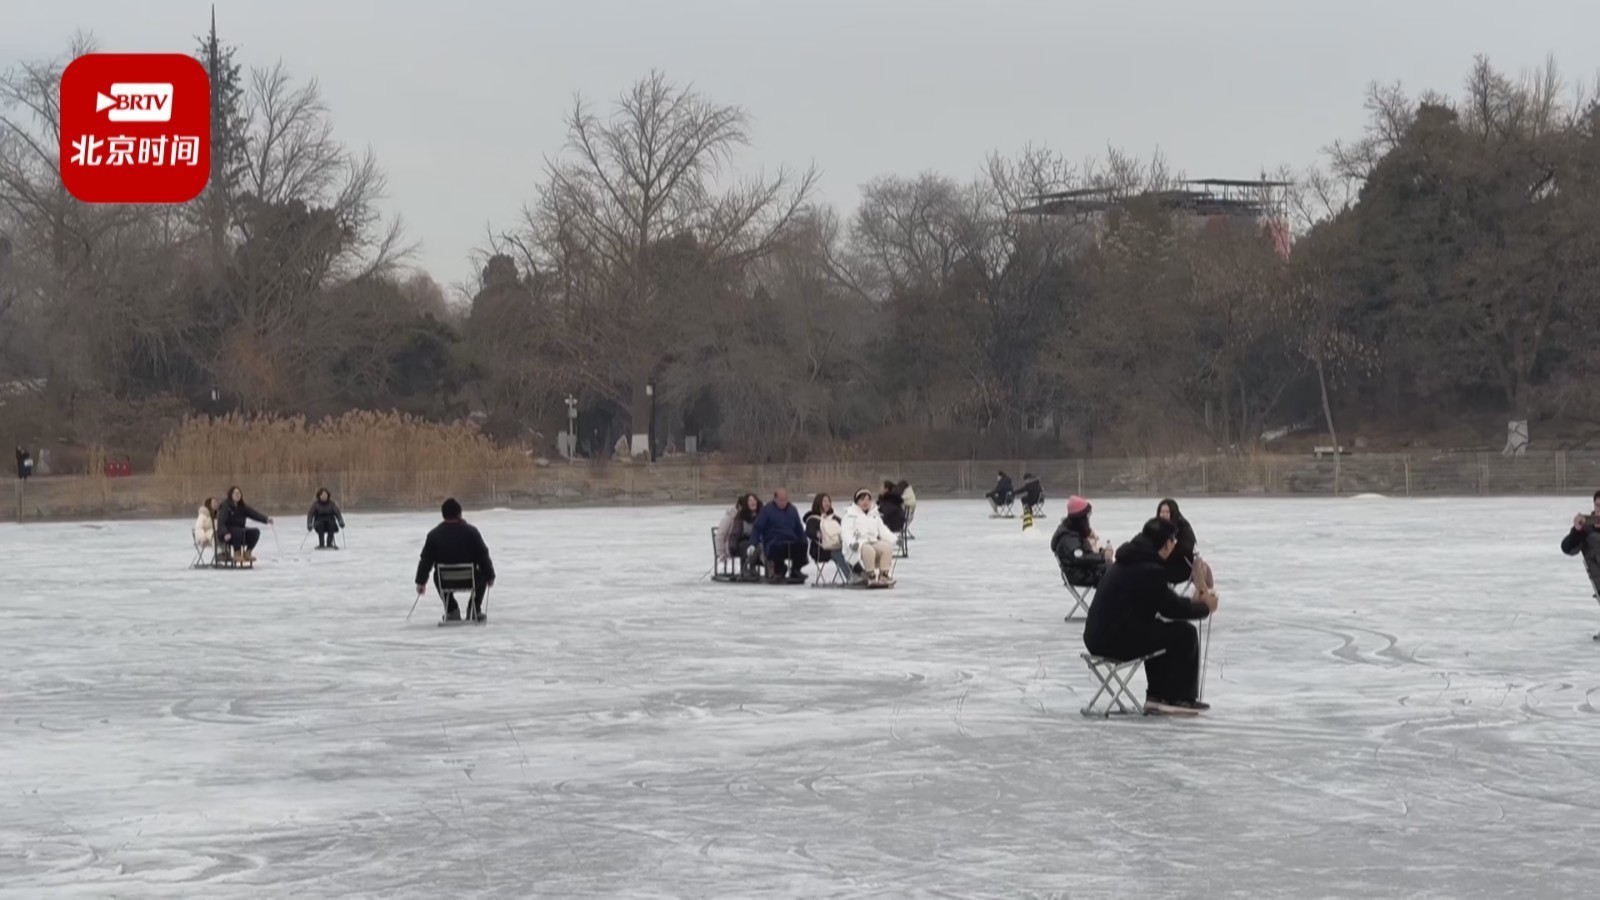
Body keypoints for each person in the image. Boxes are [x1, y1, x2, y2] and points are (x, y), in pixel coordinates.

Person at [1084, 517, 1219, 714]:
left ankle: (1156, 696)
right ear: (1167, 543)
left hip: (1098, 636)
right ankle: (1177, 698)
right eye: (1173, 540)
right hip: (1113, 640)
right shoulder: (1149, 569)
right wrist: (1205, 608)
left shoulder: (1131, 560)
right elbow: (1171, 607)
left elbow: (1161, 602)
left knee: (1157, 630)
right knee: (1184, 634)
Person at [415, 497, 496, 622]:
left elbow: (425, 560)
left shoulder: (434, 535)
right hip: (471, 579)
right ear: (459, 513)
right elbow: (483, 556)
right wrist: (490, 576)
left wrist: (421, 582)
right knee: (483, 574)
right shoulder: (471, 532)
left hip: (445, 580)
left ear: (443, 515)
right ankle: (474, 609)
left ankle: (451, 610)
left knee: (438, 575)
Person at [1561, 490, 1600, 639]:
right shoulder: (1585, 531)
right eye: (1597, 506)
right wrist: (1576, 531)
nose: (1599, 510)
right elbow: (1567, 548)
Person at [1157, 498, 1215, 593]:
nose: (1164, 515)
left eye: (1167, 512)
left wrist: (1165, 553)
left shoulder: (1183, 527)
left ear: (1173, 513)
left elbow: (1186, 548)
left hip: (1182, 567)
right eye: (1162, 512)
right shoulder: (1156, 528)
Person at [842, 488, 898, 586]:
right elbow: (846, 532)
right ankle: (870, 576)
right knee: (869, 550)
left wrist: (895, 539)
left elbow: (883, 530)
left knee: (887, 548)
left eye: (868, 499)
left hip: (872, 541)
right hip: (857, 544)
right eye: (862, 499)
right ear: (857, 501)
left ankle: (883, 576)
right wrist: (851, 543)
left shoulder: (874, 515)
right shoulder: (850, 516)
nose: (865, 502)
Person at [1051, 496, 1111, 587]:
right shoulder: (1069, 538)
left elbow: (1085, 553)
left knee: (1115, 569)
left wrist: (1101, 552)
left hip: (1085, 571)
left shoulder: (1074, 532)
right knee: (1113, 572)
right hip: (1080, 575)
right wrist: (1103, 557)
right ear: (1081, 519)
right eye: (1087, 516)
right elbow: (1080, 557)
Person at [752, 488, 808, 583]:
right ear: (775, 499)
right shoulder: (766, 510)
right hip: (774, 541)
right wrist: (753, 543)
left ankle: (795, 569)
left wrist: (804, 540)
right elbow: (757, 528)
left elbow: (799, 528)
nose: (783, 502)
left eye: (785, 499)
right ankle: (780, 569)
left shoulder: (792, 510)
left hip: (790, 540)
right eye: (781, 500)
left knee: (801, 545)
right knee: (777, 549)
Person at [216, 486, 272, 562]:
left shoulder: (242, 506)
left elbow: (254, 514)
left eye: (239, 493)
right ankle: (237, 553)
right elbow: (221, 522)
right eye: (235, 493)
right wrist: (224, 533)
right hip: (228, 533)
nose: (237, 495)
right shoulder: (225, 506)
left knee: (255, 532)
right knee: (238, 531)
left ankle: (247, 552)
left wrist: (266, 519)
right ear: (230, 495)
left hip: (240, 531)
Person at [804, 493, 845, 573]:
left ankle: (860, 573)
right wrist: (817, 534)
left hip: (837, 545)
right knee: (838, 553)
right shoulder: (812, 519)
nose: (827, 504)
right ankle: (851, 576)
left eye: (829, 501)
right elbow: (809, 532)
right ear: (818, 503)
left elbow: (844, 526)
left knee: (849, 552)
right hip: (820, 549)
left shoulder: (834, 518)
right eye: (824, 501)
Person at [730, 493, 763, 578]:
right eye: (750, 501)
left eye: (754, 500)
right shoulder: (740, 516)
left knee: (759, 547)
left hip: (757, 541)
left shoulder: (762, 514)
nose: (753, 502)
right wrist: (732, 545)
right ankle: (745, 567)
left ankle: (752, 565)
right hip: (743, 540)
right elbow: (735, 532)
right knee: (747, 546)